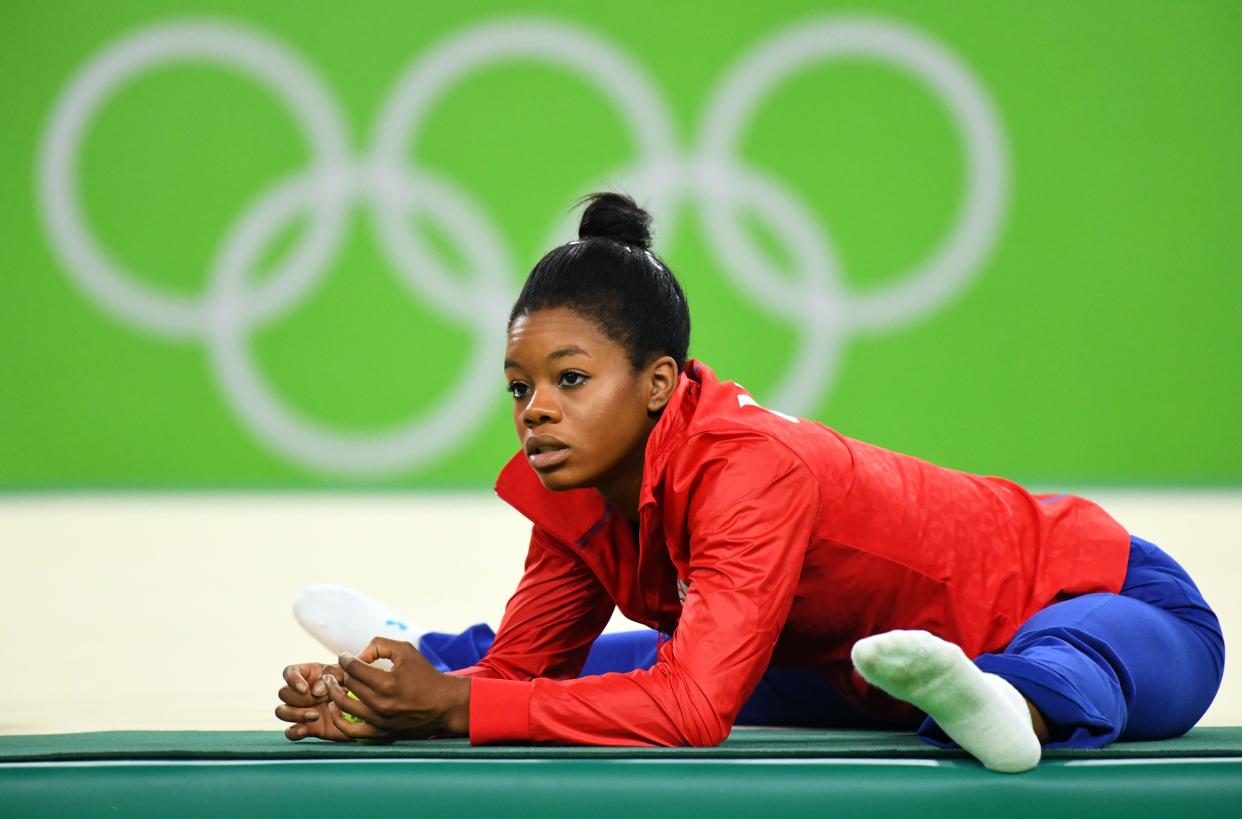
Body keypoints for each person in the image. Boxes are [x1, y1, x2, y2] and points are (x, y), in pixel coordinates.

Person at [275, 193, 1224, 773]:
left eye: (570, 380)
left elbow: (692, 715)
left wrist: (451, 707)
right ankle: (413, 649)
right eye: (520, 387)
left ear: (657, 384)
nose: (536, 411)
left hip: (1098, 595)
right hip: (861, 678)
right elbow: (527, 679)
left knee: (1077, 653)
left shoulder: (746, 468)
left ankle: (1009, 706)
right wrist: (397, 705)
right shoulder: (572, 482)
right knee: (623, 673)